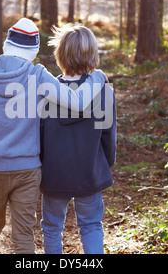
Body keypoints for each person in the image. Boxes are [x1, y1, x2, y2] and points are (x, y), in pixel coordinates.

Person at [0, 18, 108, 254]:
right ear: (33, 50)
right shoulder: (37, 75)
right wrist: (96, 77)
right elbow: (78, 103)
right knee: (23, 235)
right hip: (28, 172)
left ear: (7, 45)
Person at [40, 24, 117, 254]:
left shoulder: (46, 92)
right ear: (92, 55)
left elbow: (40, 136)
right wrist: (105, 165)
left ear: (60, 55)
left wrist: (42, 168)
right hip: (89, 172)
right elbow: (108, 138)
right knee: (91, 225)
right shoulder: (104, 92)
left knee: (52, 228)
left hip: (55, 174)